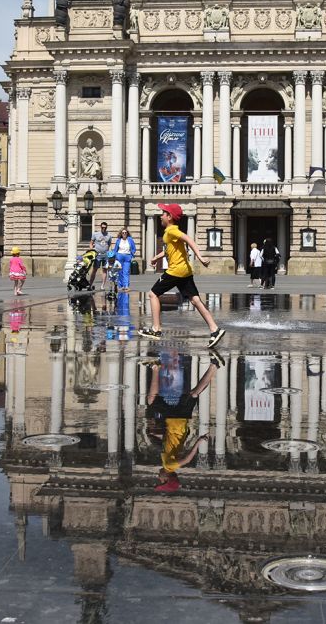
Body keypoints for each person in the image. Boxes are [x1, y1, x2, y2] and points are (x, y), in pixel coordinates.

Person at [139, 203, 225, 347]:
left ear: (169, 217)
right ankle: (215, 329)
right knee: (195, 300)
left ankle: (156, 329)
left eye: (163, 213)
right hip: (184, 271)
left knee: (153, 294)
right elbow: (170, 249)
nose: (161, 216)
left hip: (175, 271)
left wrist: (200, 257)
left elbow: (189, 240)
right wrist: (157, 257)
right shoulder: (170, 232)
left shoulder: (172, 230)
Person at [146, 348, 222, 493]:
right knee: (152, 400)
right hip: (175, 422)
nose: (158, 477)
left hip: (177, 424)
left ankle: (214, 366)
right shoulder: (170, 466)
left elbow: (171, 444)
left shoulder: (168, 463)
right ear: (167, 478)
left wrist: (159, 435)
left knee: (193, 394)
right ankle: (155, 367)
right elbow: (187, 460)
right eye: (161, 481)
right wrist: (199, 441)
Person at [87, 222, 111, 288]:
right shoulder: (95, 234)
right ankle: (90, 284)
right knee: (94, 269)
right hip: (97, 255)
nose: (104, 229)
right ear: (100, 227)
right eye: (102, 227)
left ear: (106, 227)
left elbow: (109, 244)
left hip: (105, 255)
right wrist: (91, 251)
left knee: (105, 270)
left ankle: (102, 285)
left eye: (105, 227)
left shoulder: (109, 235)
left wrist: (109, 253)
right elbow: (91, 243)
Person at [113, 227, 136, 291]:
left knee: (126, 272)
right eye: (123, 233)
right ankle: (121, 286)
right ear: (121, 234)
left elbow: (134, 248)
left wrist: (131, 254)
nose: (124, 234)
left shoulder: (130, 240)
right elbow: (115, 249)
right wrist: (115, 256)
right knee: (120, 272)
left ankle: (126, 286)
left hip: (127, 257)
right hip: (119, 256)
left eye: (125, 232)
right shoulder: (118, 240)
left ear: (127, 233)